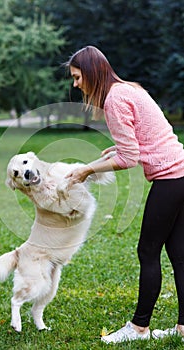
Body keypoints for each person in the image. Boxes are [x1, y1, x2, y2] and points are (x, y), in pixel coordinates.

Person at [65, 45, 184, 344]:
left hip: (171, 178)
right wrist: (117, 148)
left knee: (147, 251)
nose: (76, 84)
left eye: (78, 77)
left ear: (92, 73)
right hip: (182, 171)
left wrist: (87, 170)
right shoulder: (128, 89)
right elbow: (152, 133)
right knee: (179, 255)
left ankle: (139, 328)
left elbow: (129, 159)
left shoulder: (114, 100)